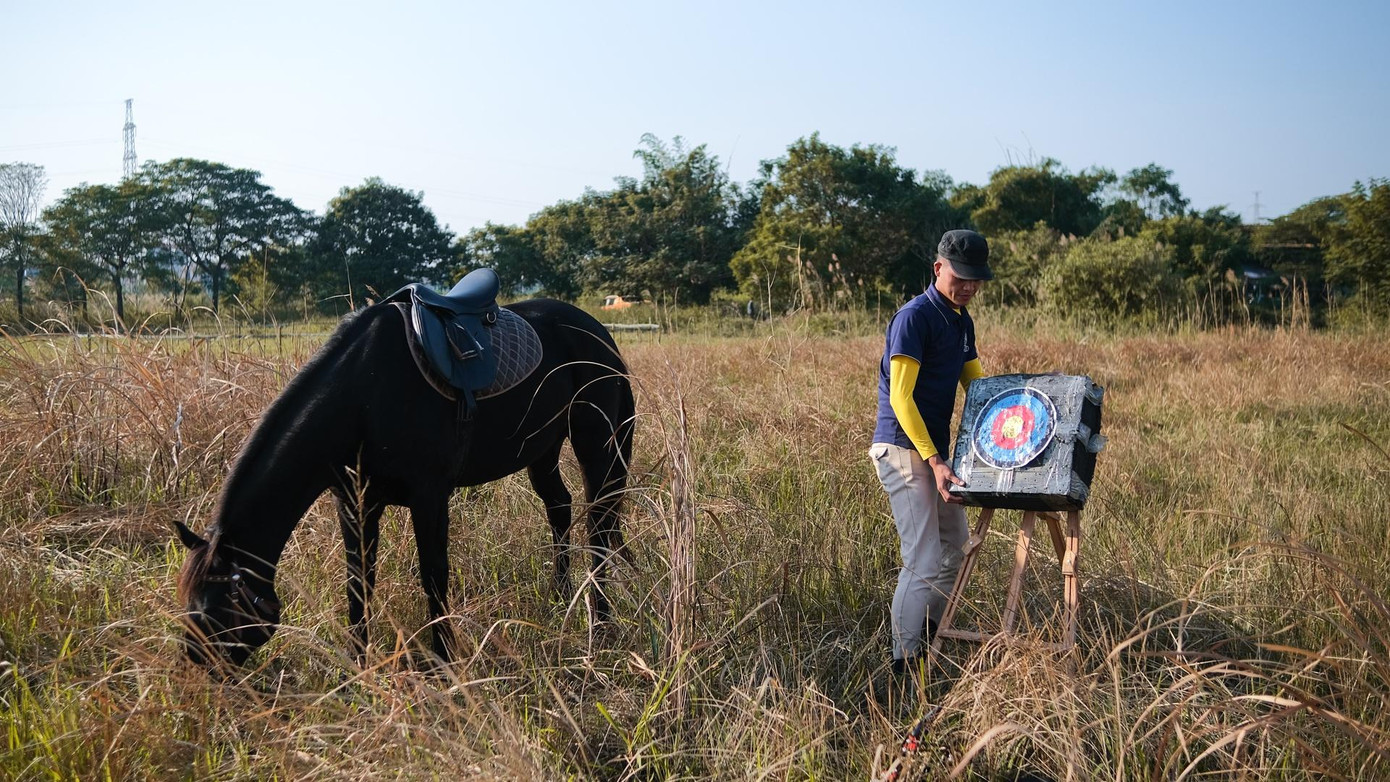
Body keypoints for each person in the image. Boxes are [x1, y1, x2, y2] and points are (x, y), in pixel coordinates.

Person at [870, 228, 992, 672]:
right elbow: (902, 399)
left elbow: (977, 388)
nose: (969, 287)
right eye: (962, 277)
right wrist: (936, 461)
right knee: (921, 559)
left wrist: (1021, 409)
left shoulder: (962, 321)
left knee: (957, 548)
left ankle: (929, 637)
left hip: (937, 456)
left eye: (977, 280)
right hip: (904, 450)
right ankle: (903, 663)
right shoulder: (914, 317)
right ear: (938, 267)